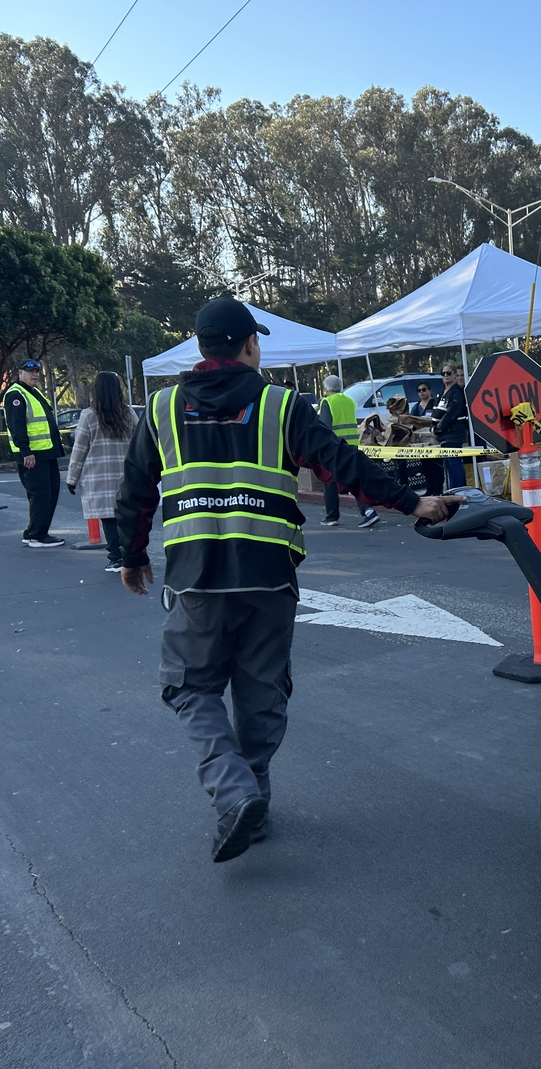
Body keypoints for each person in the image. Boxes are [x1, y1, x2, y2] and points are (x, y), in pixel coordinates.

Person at [114, 297, 461, 864]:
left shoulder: (161, 408)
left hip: (197, 579)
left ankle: (236, 794)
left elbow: (136, 490)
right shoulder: (281, 405)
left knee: (189, 686)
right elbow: (342, 465)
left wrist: (131, 556)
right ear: (249, 344)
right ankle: (254, 802)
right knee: (261, 692)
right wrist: (413, 502)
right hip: (270, 577)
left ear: (203, 347)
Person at [65, 371, 136, 573]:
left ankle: (115, 557)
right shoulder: (129, 413)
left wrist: (72, 479)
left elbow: (80, 450)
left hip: (98, 476)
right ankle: (130, 553)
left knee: (108, 518)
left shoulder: (88, 416)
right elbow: (139, 442)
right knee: (126, 517)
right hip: (125, 475)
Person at [5, 359, 65, 548]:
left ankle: (38, 531)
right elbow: (17, 426)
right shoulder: (16, 394)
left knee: (50, 493)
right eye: (30, 371)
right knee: (40, 495)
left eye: (37, 371)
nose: (35, 374)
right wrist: (25, 451)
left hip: (46, 452)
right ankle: (36, 534)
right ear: (20, 373)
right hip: (33, 455)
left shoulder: (33, 392)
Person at [317, 374, 377, 528]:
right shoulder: (349, 401)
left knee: (329, 481)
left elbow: (324, 428)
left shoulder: (327, 402)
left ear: (326, 388)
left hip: (335, 448)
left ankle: (331, 516)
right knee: (354, 480)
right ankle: (368, 511)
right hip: (352, 446)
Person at [431, 362, 470, 491]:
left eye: (449, 373)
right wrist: (433, 426)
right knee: (448, 464)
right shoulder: (442, 392)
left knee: (454, 463)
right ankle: (452, 492)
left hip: (454, 434)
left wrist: (437, 428)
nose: (446, 376)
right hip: (444, 436)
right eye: (443, 373)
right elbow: (437, 410)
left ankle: (460, 491)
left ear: (454, 375)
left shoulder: (457, 392)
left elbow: (452, 414)